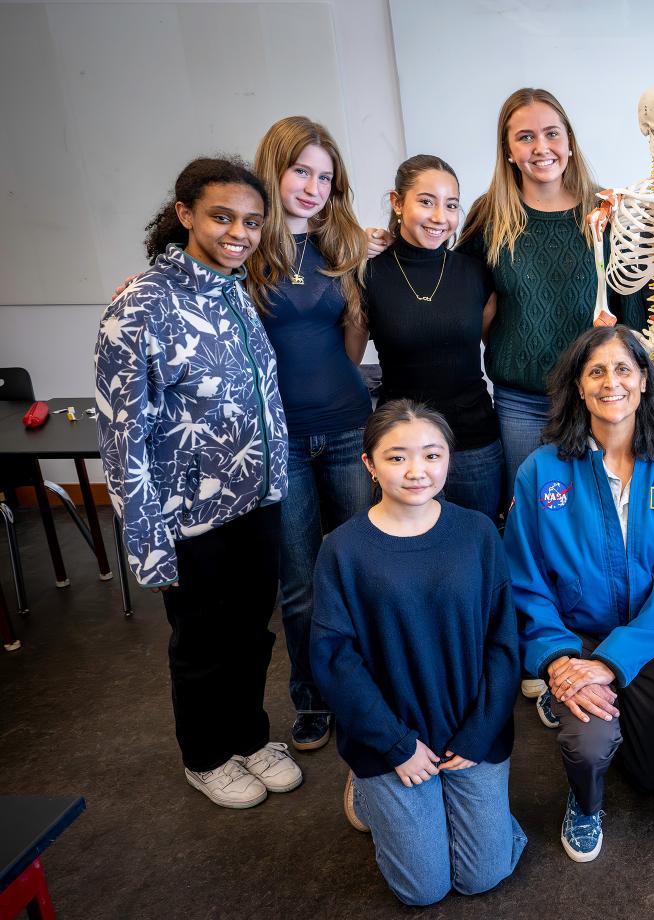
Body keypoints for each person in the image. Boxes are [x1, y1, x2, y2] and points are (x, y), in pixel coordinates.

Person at [95, 156, 300, 809]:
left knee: (251, 632)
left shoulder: (235, 290)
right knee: (203, 642)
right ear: (185, 214)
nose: (239, 233)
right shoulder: (141, 305)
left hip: (255, 499)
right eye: (222, 217)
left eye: (252, 222)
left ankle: (248, 735)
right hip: (188, 516)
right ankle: (206, 755)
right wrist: (149, 544)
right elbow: (122, 435)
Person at [505, 326, 654, 863]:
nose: (610, 382)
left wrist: (611, 663)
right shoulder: (541, 470)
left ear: (644, 380)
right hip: (574, 638)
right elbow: (525, 580)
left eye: (623, 369)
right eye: (596, 371)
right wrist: (558, 660)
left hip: (647, 638)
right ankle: (584, 800)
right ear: (578, 386)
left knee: (651, 775)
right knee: (590, 746)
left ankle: (588, 697)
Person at [311, 400, 525, 906]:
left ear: (449, 458)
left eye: (432, 455)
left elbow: (503, 641)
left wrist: (480, 731)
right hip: (392, 736)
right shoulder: (342, 548)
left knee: (482, 876)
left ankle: (460, 817)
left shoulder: (478, 532)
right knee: (423, 889)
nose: (417, 471)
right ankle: (368, 793)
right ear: (369, 464)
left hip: (470, 729)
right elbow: (334, 658)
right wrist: (394, 744)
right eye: (397, 457)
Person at [248, 115, 374, 752]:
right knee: (299, 585)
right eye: (301, 171)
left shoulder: (341, 245)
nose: (313, 188)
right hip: (283, 442)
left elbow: (352, 337)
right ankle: (313, 696)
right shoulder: (246, 251)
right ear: (273, 170)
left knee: (360, 570)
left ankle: (368, 689)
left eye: (325, 178)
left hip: (349, 428)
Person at [458, 88, 647, 491]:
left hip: (600, 397)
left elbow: (631, 312)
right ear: (508, 151)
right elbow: (456, 295)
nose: (541, 148)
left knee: (597, 510)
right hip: (522, 404)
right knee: (531, 510)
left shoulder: (608, 211)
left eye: (552, 134)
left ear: (570, 142)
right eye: (525, 137)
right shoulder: (490, 216)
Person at [365, 154, 504, 520]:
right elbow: (348, 356)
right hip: (402, 448)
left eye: (451, 205)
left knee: (481, 541)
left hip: (474, 445)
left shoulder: (475, 273)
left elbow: (493, 345)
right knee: (407, 546)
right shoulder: (369, 274)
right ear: (397, 203)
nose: (440, 217)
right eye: (426, 202)